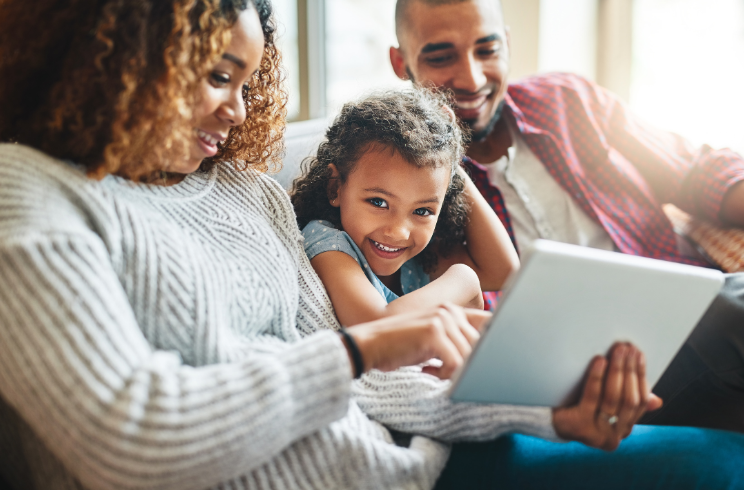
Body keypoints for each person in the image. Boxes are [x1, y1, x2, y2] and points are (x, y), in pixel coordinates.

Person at [0, 1, 744, 490]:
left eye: (248, 82)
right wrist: (369, 347)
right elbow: (129, 439)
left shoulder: (243, 190)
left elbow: (367, 386)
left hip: (403, 462)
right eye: (218, 76)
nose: (237, 109)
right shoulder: (26, 192)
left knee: (724, 462)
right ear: (121, 57)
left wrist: (548, 415)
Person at [390, 0, 744, 433]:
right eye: (441, 57)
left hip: (680, 328)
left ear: (508, 45)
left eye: (487, 49)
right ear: (400, 62)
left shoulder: (567, 102)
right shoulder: (403, 182)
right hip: (561, 386)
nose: (472, 77)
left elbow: (694, 169)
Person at [291, 88, 519, 326]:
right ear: (335, 188)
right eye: (379, 202)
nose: (399, 232)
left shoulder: (415, 261)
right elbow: (377, 327)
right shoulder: (328, 243)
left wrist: (450, 159)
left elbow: (503, 271)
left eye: (422, 211)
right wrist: (465, 280)